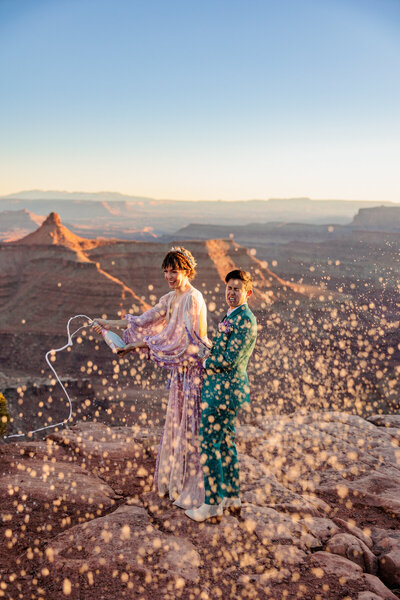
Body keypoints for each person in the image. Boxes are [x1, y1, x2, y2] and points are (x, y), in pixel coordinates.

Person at [93, 247, 211, 509]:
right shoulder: (169, 298)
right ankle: (178, 480)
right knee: (178, 423)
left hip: (193, 372)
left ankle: (197, 488)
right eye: (166, 271)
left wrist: (134, 347)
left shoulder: (193, 298)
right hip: (180, 374)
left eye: (175, 271)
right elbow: (141, 321)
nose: (169, 275)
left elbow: (183, 342)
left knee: (190, 427)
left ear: (188, 271)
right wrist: (108, 324)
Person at [185, 269, 257, 522]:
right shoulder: (234, 316)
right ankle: (231, 497)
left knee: (208, 442)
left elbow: (229, 358)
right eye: (229, 288)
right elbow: (224, 350)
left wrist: (205, 363)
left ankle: (211, 504)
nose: (231, 292)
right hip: (226, 390)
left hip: (222, 392)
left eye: (237, 288)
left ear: (248, 292)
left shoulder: (245, 319)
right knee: (225, 442)